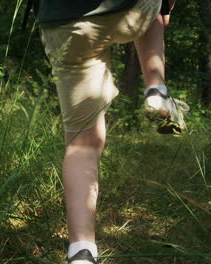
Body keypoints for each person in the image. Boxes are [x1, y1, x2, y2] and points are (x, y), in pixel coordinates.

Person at [35, 0, 188, 263]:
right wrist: (166, 10)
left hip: (64, 24)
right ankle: (156, 89)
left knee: (81, 145)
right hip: (130, 11)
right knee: (157, 7)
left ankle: (81, 251)